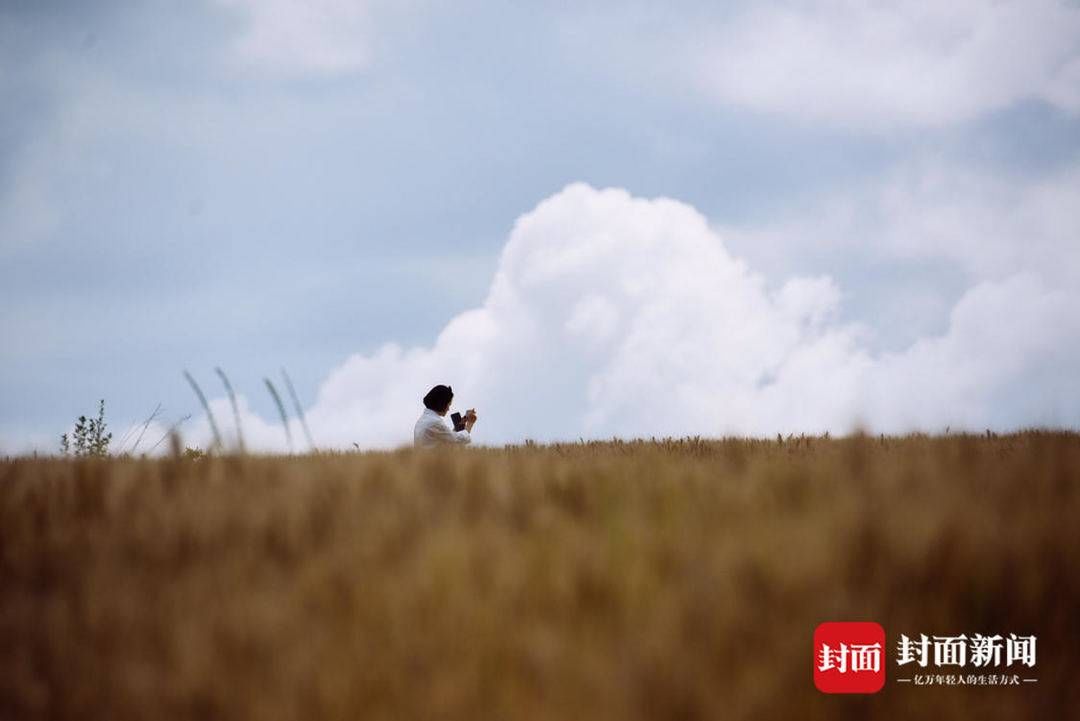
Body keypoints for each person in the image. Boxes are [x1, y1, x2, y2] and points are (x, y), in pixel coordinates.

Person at [413, 384, 478, 448]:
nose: (448, 409)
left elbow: (447, 437)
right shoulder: (435, 422)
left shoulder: (423, 419)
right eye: (448, 405)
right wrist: (470, 423)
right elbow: (458, 440)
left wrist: (462, 422)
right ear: (442, 404)